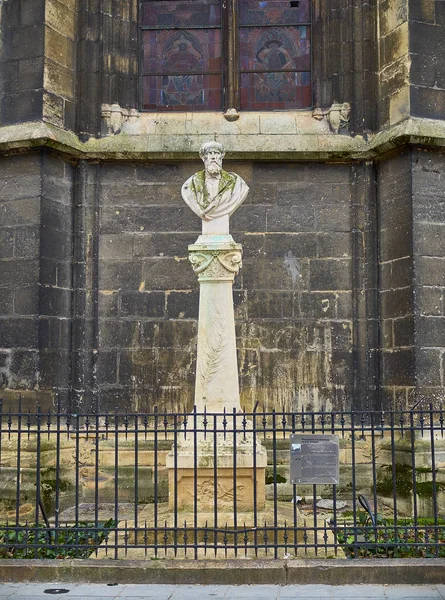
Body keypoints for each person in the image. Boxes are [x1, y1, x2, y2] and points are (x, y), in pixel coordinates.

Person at [181, 141, 249, 224]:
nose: (213, 157)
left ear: (221, 156)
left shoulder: (237, 183)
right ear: (203, 157)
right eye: (209, 153)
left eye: (216, 153)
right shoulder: (191, 184)